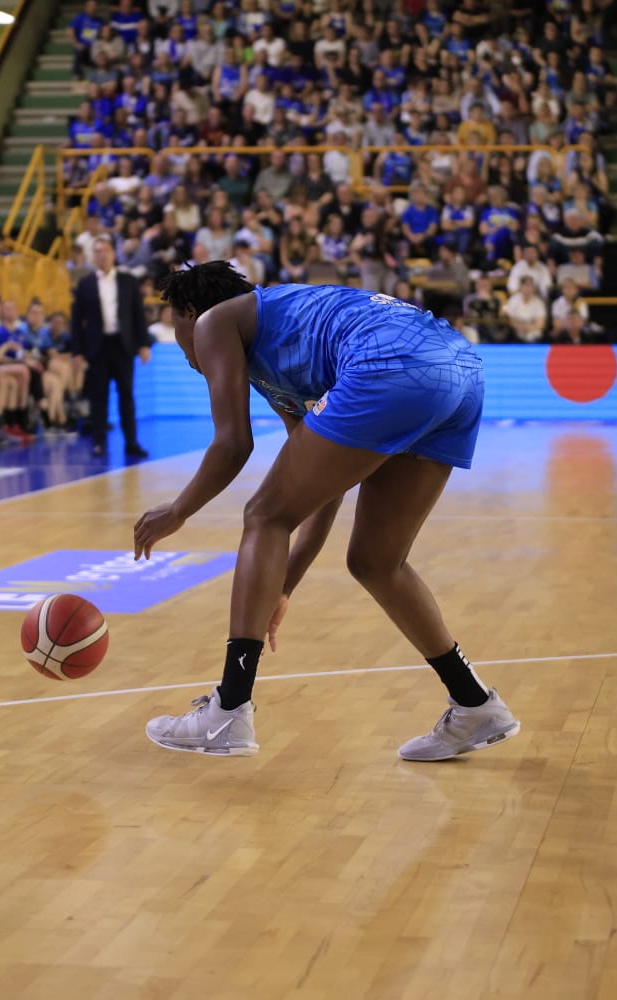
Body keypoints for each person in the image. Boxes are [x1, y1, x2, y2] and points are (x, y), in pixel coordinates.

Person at [135, 262, 519, 760]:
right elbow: (321, 484)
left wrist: (178, 510)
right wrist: (282, 584)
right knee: (376, 561)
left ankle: (227, 712)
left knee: (262, 515)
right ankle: (475, 704)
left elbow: (233, 446)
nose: (181, 341)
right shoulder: (276, 337)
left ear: (190, 313)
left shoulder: (214, 322)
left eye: (174, 325)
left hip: (392, 362)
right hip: (459, 370)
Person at [71, 238, 152, 458]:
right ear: (93, 257)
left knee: (127, 395)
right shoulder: (85, 283)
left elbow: (138, 315)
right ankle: (99, 442)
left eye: (105, 251)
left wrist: (143, 343)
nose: (102, 255)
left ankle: (132, 442)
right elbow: (76, 320)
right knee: (99, 397)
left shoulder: (128, 281)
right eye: (97, 252)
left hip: (122, 345)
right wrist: (77, 351)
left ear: (113, 254)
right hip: (97, 347)